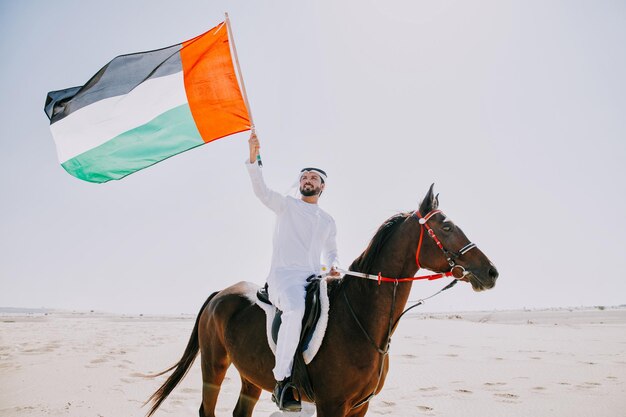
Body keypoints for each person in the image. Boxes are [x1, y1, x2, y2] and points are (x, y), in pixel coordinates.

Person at [246, 132, 340, 411]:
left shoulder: (327, 220)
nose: (307, 180)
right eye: (304, 177)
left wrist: (334, 265)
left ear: (322, 187)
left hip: (314, 279)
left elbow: (332, 251)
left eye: (313, 178)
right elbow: (261, 190)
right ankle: (282, 380)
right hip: (283, 279)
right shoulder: (286, 206)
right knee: (296, 310)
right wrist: (253, 156)